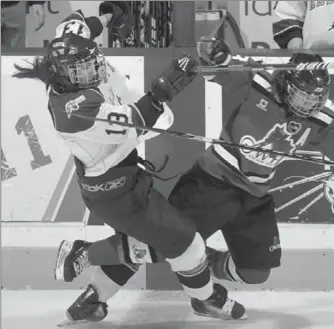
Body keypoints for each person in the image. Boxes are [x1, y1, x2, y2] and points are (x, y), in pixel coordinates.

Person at [52, 37, 334, 323]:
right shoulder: (258, 83)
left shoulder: (323, 115)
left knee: (255, 272)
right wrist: (216, 55)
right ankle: (93, 292)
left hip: (255, 197)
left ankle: (201, 264)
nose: (310, 104)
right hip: (212, 183)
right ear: (287, 84)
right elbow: (221, 69)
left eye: (316, 97)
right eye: (304, 95)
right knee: (156, 246)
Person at [12, 5, 246, 326]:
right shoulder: (75, 110)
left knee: (143, 242)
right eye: (85, 68)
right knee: (185, 244)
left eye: (92, 61)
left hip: (120, 177)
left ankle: (91, 301)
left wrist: (113, 15)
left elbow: (82, 27)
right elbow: (139, 118)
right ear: (64, 74)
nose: (96, 68)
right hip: (116, 191)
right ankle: (204, 299)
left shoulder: (68, 54)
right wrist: (169, 85)